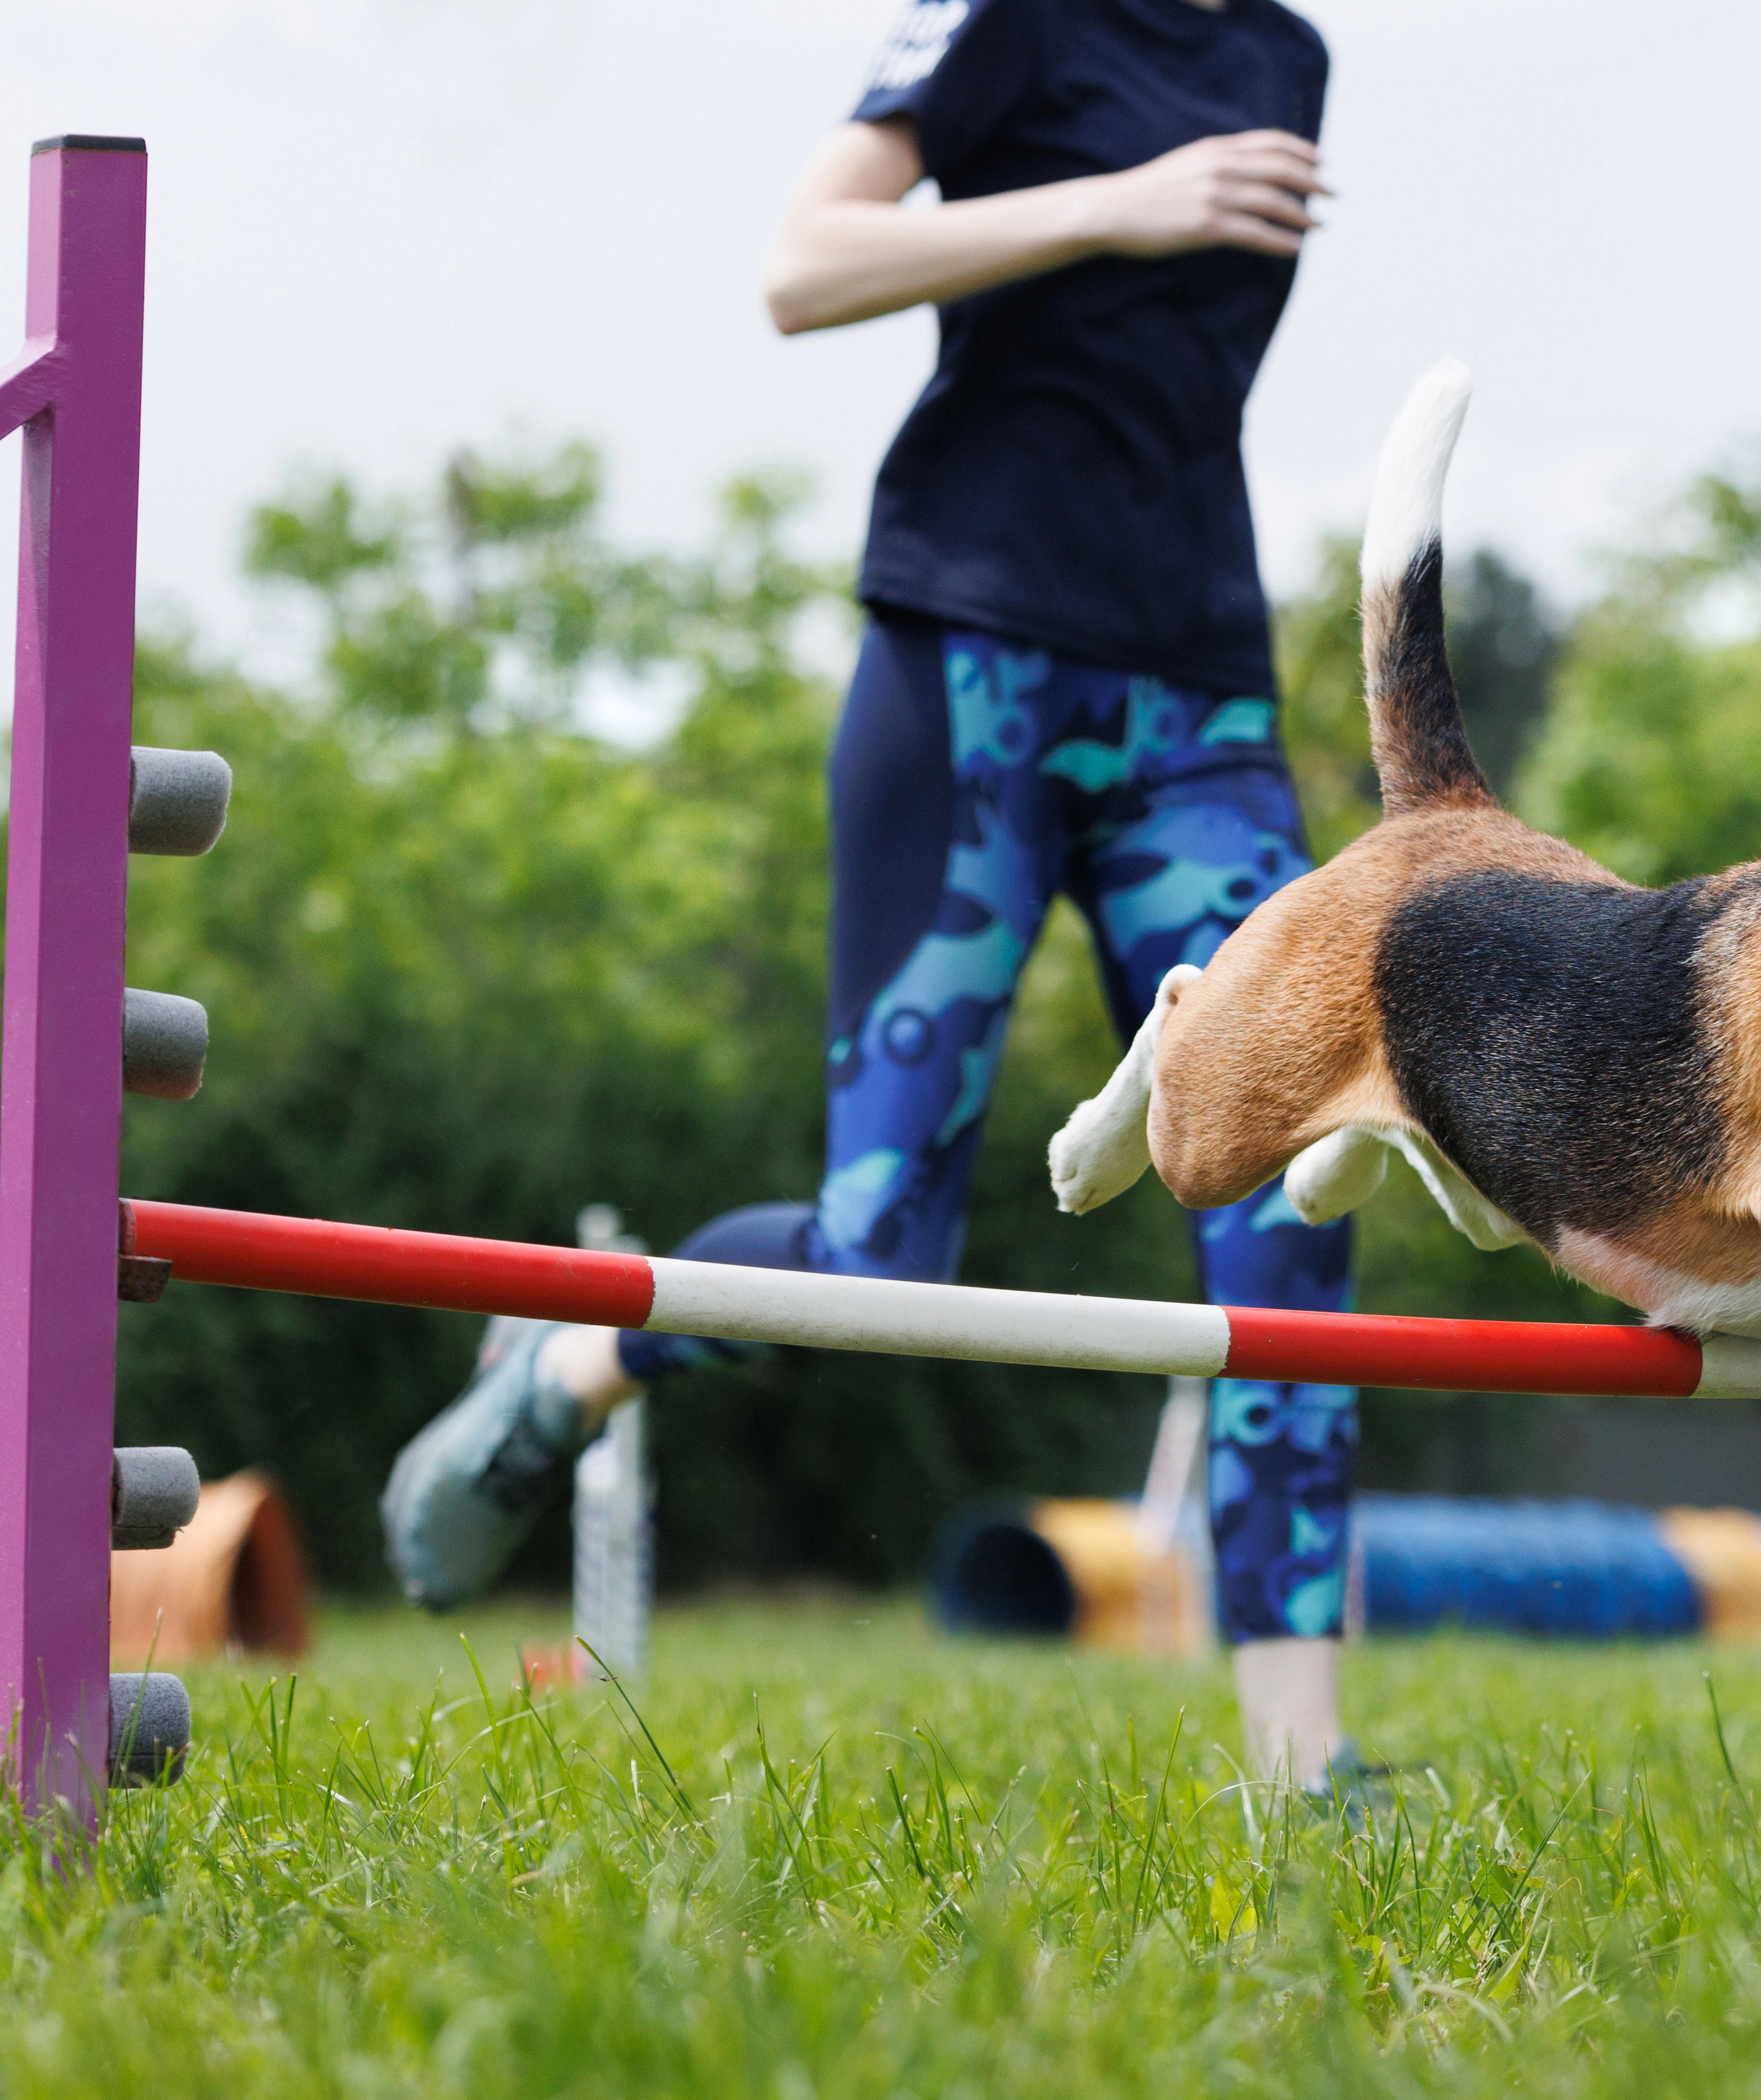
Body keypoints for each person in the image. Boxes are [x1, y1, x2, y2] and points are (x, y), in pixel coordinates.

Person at [378, 0, 1363, 1787]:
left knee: (1294, 1193)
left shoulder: (1287, 58)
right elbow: (804, 267)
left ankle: (1302, 1778)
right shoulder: (1012, 20)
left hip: (1197, 699)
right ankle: (563, 1373)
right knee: (873, 1253)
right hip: (969, 662)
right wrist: (1119, 199)